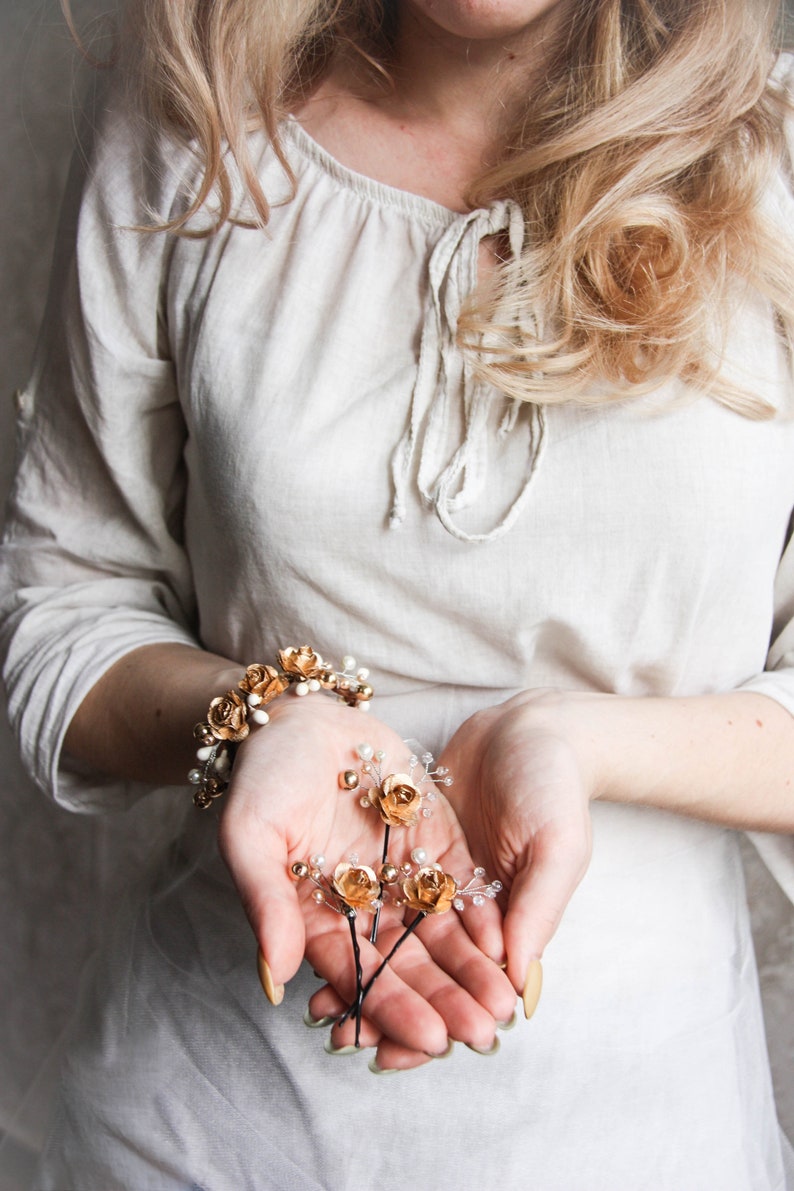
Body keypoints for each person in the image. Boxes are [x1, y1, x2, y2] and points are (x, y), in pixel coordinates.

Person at [2, 0, 794, 1186]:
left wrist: (568, 744)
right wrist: (264, 717)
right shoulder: (190, 121)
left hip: (653, 1143)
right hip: (199, 1137)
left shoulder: (770, 156)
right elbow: (59, 600)